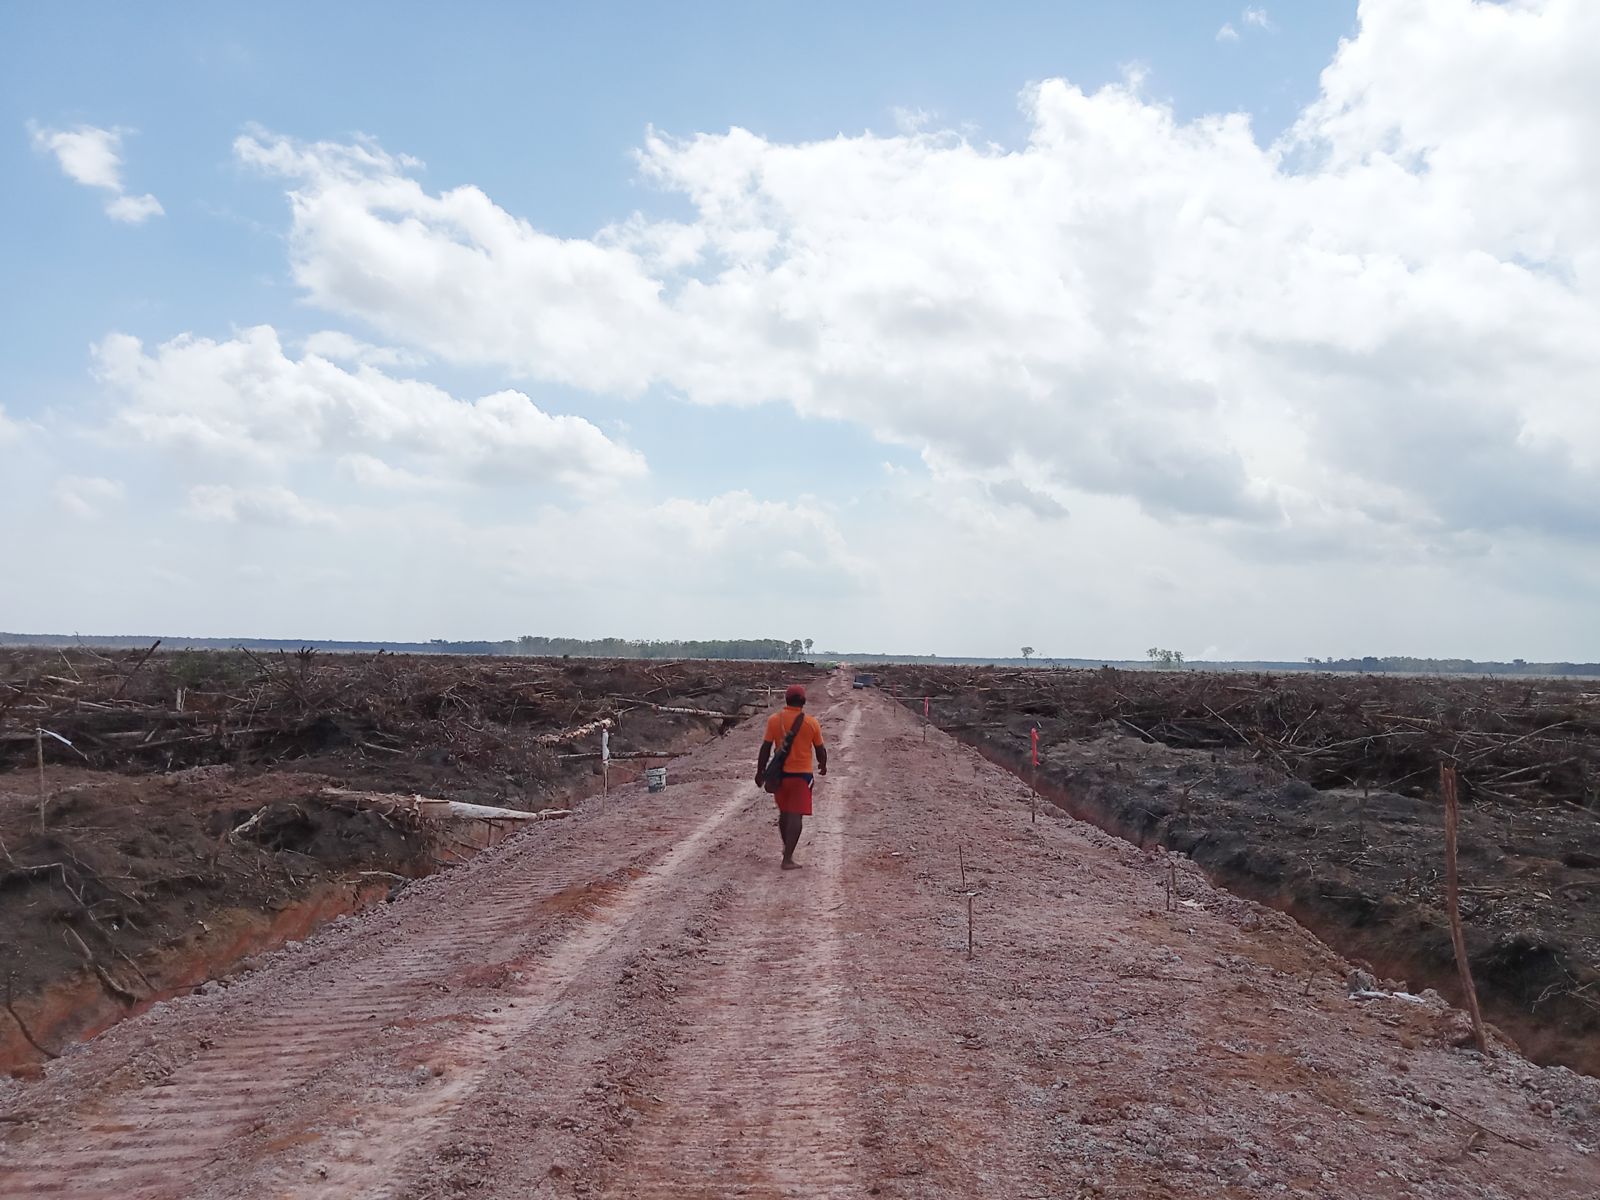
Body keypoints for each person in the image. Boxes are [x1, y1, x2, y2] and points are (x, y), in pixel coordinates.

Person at [755, 684, 827, 869]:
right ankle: (787, 858)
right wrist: (823, 765)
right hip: (801, 777)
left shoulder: (775, 720)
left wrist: (760, 771)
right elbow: (820, 749)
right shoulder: (811, 723)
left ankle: (787, 848)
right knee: (796, 816)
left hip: (779, 776)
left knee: (784, 813)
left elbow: (765, 748)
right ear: (803, 701)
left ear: (786, 700)